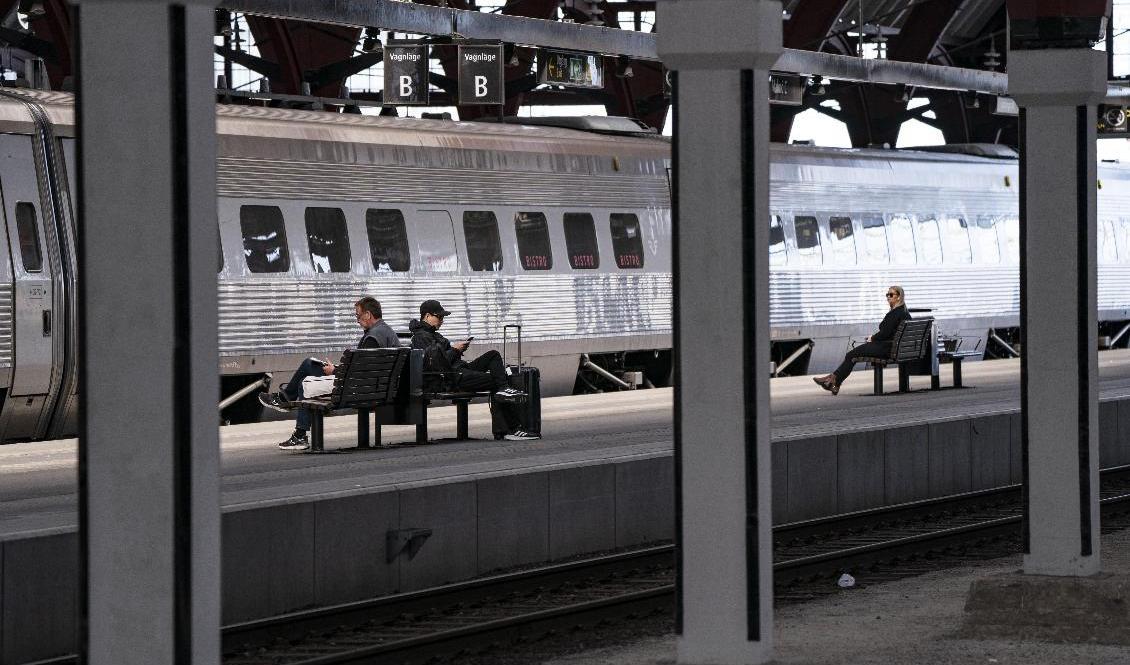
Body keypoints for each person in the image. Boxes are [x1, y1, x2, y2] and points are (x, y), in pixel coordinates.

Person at [260, 296, 400, 449]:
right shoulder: (385, 331)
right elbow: (364, 368)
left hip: (360, 389)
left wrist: (335, 370)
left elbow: (361, 372)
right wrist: (336, 369)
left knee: (305, 384)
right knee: (309, 364)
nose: (357, 320)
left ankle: (300, 435)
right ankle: (284, 398)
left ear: (368, 314)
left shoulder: (373, 337)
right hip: (373, 387)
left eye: (357, 315)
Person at [409, 299, 539, 441]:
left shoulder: (433, 334)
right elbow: (436, 365)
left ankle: (504, 392)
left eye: (443, 318)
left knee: (493, 355)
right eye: (439, 317)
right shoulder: (421, 337)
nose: (442, 321)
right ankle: (511, 429)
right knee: (497, 380)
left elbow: (443, 359)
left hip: (459, 370)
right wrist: (455, 350)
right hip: (452, 378)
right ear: (427, 316)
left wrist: (457, 351)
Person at [814, 285, 911, 395]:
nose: (888, 297)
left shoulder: (895, 313)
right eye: (887, 295)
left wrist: (872, 338)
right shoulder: (904, 312)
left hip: (887, 349)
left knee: (851, 355)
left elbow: (885, 333)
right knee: (852, 355)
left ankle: (834, 381)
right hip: (895, 348)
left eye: (891, 295)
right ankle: (833, 381)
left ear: (899, 297)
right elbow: (890, 333)